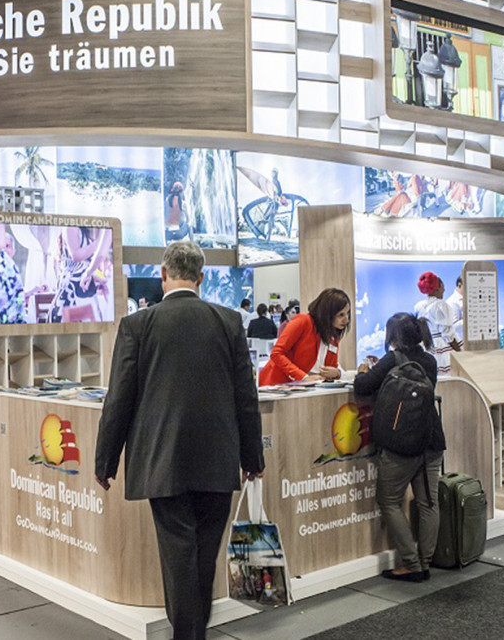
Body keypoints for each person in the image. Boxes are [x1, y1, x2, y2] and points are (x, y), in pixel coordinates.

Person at [94, 242, 263, 640]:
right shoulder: (229, 322)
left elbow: (119, 399)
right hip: (218, 459)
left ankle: (188, 633)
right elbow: (246, 397)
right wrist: (252, 457)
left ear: (163, 274)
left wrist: (105, 462)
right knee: (203, 556)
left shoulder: (138, 325)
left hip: (162, 459)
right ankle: (192, 630)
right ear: (201, 277)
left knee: (178, 555)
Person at [354, 312, 443, 582]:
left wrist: (363, 370)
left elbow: (362, 387)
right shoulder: (430, 361)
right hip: (431, 439)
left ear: (392, 336)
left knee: (390, 501)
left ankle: (411, 564)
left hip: (400, 444)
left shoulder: (392, 359)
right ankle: (425, 562)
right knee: (428, 503)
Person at [259, 289, 350, 386]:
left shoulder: (333, 335)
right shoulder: (303, 321)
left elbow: (331, 367)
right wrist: (303, 377)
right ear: (327, 313)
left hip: (308, 389)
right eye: (341, 315)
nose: (346, 320)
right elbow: (277, 353)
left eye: (347, 313)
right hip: (277, 385)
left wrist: (337, 373)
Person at [414, 272, 457, 375]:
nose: (444, 290)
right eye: (443, 286)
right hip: (442, 350)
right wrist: (460, 352)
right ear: (437, 288)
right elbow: (447, 335)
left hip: (427, 348)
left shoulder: (419, 306)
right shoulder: (441, 305)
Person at [446, 276, 465, 342]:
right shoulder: (452, 301)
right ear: (460, 285)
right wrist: (472, 319)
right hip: (461, 342)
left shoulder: (468, 298)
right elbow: (454, 326)